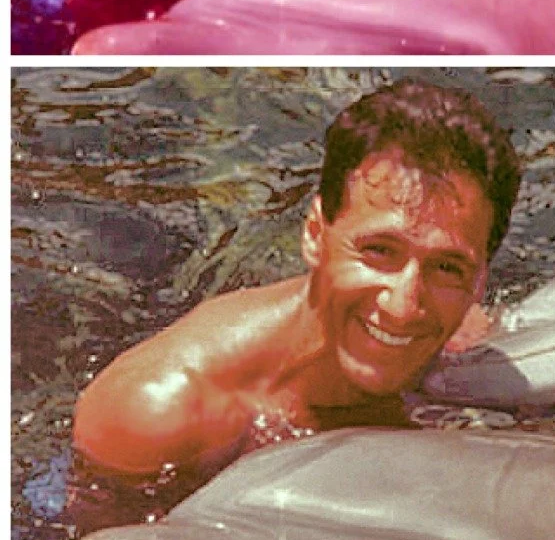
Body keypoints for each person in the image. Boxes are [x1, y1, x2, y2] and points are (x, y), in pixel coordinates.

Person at [71, 79, 520, 500]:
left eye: (447, 267)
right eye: (379, 250)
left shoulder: (464, 339)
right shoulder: (156, 414)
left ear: (480, 279)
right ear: (313, 235)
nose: (403, 306)